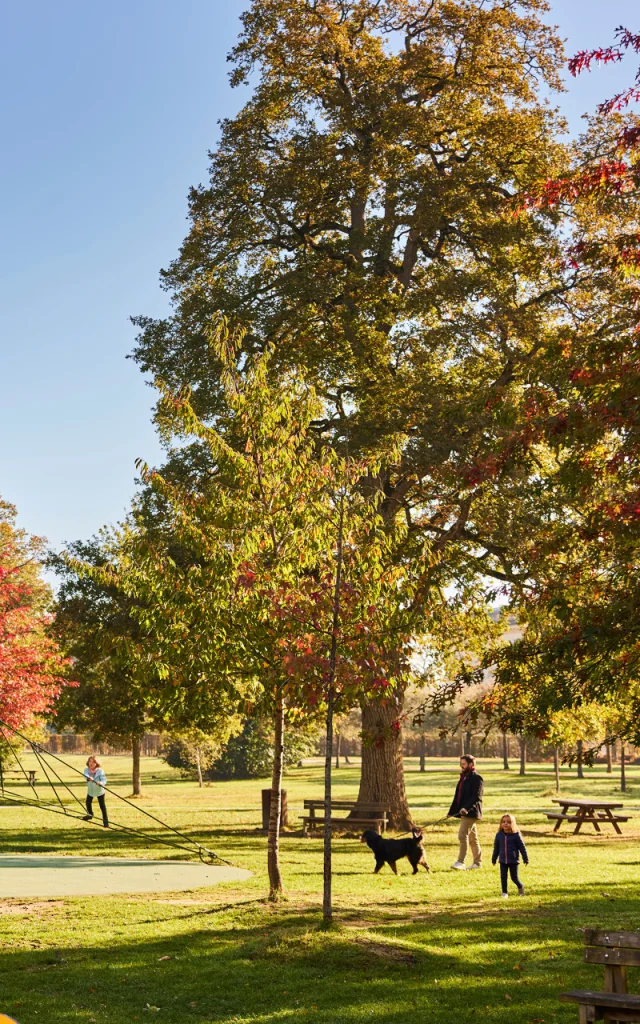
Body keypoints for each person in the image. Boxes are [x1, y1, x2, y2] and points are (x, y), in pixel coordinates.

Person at [449, 754, 483, 870]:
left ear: (471, 764)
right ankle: (477, 863)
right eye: (461, 764)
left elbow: (477, 797)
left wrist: (466, 808)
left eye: (463, 764)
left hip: (471, 812)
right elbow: (458, 796)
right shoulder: (463, 778)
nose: (461, 766)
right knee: (473, 838)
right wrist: (452, 812)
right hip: (464, 812)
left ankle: (460, 862)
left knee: (462, 835)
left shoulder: (477, 778)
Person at [492, 812, 528, 897]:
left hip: (513, 860)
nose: (505, 824)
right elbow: (496, 848)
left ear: (512, 824)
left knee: (514, 878)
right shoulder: (499, 835)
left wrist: (525, 858)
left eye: (508, 822)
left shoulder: (516, 835)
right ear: (501, 824)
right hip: (503, 860)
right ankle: (504, 892)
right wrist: (494, 858)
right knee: (503, 877)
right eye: (503, 822)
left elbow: (522, 847)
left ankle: (520, 886)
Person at [82, 755, 109, 827]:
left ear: (96, 763)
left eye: (93, 762)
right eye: (90, 761)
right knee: (88, 803)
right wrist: (89, 778)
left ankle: (106, 822)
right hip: (90, 791)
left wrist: (100, 783)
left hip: (99, 791)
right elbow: (85, 775)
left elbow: (104, 780)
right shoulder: (86, 770)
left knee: (102, 806)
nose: (91, 763)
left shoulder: (100, 771)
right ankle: (90, 814)